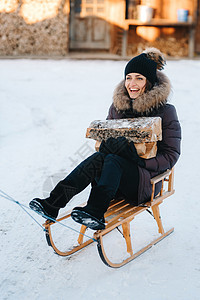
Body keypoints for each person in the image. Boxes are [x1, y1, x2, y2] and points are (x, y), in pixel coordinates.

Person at [29, 48, 181, 230]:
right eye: (129, 77)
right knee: (100, 158)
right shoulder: (117, 108)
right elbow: (106, 141)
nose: (132, 83)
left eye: (139, 78)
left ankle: (95, 210)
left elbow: (171, 155)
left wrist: (140, 161)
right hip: (111, 181)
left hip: (143, 182)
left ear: (149, 82)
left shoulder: (165, 111)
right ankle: (53, 203)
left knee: (113, 161)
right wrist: (108, 145)